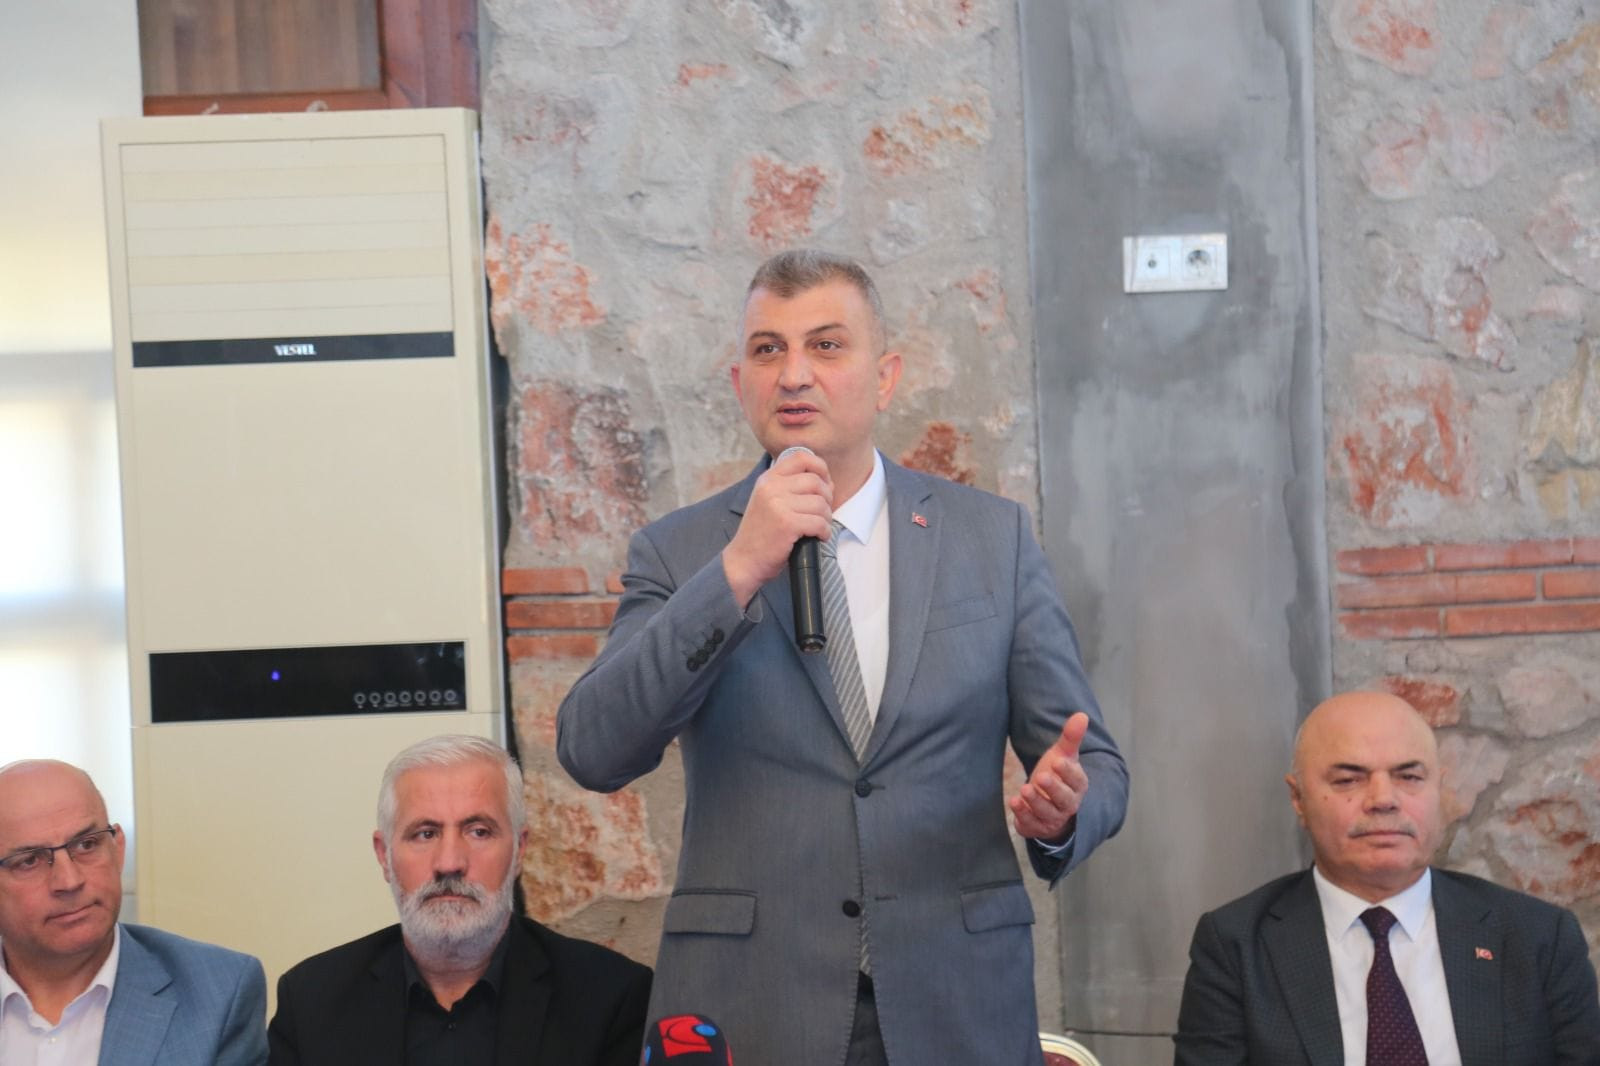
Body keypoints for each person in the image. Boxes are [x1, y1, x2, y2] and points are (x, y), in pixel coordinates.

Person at [557, 249, 1128, 1065]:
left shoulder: (990, 540)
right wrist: (737, 570)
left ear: (885, 378)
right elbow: (592, 748)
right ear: (740, 383)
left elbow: (1095, 764)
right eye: (768, 350)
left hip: (955, 1000)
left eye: (826, 345)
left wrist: (1065, 813)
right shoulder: (680, 553)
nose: (794, 374)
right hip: (756, 1005)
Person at [1174, 690, 1600, 1065]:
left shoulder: (1537, 938)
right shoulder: (1236, 947)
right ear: (1298, 799)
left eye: (1409, 777)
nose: (1383, 799)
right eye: (1348, 779)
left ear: (1439, 791)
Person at [267, 734, 652, 1066]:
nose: (449, 863)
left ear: (519, 851)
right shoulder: (311, 1001)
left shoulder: (609, 998)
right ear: (384, 856)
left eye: (478, 831)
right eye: (425, 833)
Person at [0, 759, 267, 1066]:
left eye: (87, 845)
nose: (69, 881)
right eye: (29, 861)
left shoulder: (218, 994)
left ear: (118, 848)